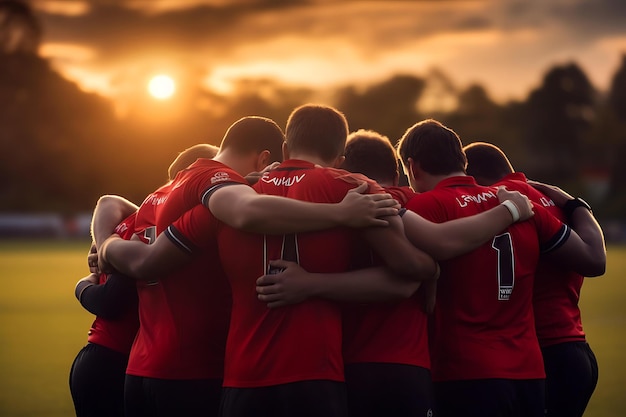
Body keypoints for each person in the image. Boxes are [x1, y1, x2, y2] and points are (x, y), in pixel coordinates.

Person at [95, 115, 400, 417]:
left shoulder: (169, 189)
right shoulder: (213, 181)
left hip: (142, 367)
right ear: (265, 157)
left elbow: (111, 205)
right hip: (191, 370)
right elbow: (246, 211)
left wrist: (106, 243)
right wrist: (341, 213)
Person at [254, 128, 533, 417]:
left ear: (341, 168)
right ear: (399, 174)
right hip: (409, 365)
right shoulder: (413, 202)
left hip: (344, 365)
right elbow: (439, 242)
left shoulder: (328, 202)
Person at [395, 119, 605, 417]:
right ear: (461, 161)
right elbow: (593, 259)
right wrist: (575, 204)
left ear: (413, 167)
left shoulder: (425, 207)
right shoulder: (524, 203)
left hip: (464, 370)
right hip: (530, 371)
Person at [463, 141, 603, 417]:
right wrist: (577, 204)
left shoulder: (503, 202)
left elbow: (594, 261)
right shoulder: (551, 198)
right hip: (576, 347)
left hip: (540, 352)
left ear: (472, 178)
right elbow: (594, 252)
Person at [69, 214, 139, 417]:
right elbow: (110, 301)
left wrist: (82, 285)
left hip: (111, 360)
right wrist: (83, 285)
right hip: (112, 362)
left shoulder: (145, 217)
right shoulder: (144, 224)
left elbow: (108, 201)